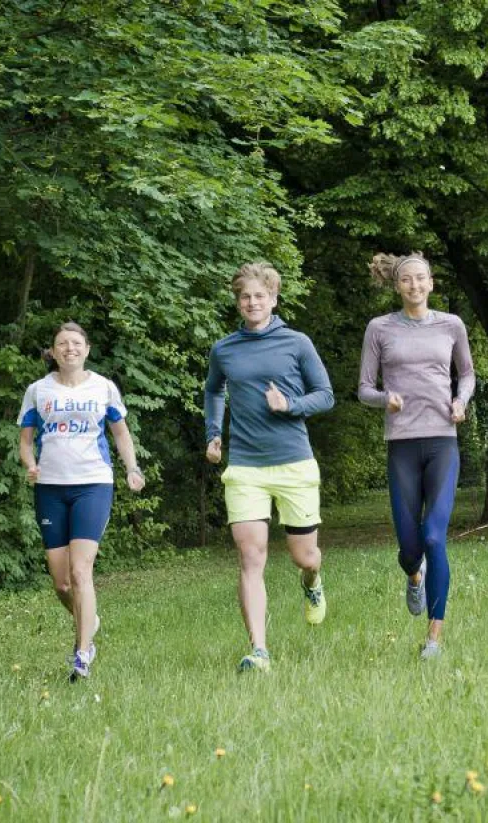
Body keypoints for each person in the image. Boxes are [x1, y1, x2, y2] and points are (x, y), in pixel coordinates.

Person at [205, 262, 335, 673]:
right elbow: (213, 391)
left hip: (294, 461)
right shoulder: (224, 349)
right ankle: (259, 650)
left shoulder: (296, 343)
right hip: (245, 465)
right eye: (245, 296)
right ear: (238, 302)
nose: (252, 302)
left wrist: (290, 405)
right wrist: (214, 432)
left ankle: (312, 584)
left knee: (305, 556)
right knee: (250, 556)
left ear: (273, 299)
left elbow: (326, 395)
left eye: (260, 295)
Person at [358, 252, 476, 660]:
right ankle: (414, 575)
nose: (414, 286)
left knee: (433, 536)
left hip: (442, 440)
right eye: (406, 280)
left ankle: (433, 638)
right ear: (397, 285)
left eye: (421, 279)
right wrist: (383, 399)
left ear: (431, 282)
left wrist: (460, 400)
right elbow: (363, 388)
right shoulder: (379, 328)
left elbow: (469, 373)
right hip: (402, 444)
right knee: (410, 548)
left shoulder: (451, 325)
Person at [18, 322, 145, 681]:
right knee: (62, 584)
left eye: (76, 343)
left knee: (80, 571)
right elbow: (26, 441)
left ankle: (82, 653)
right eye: (62, 343)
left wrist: (132, 468)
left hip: (93, 483)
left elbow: (121, 434)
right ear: (54, 351)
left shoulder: (103, 388)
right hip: (50, 488)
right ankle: (89, 619)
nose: (69, 348)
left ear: (87, 349)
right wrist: (30, 465)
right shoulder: (37, 391)